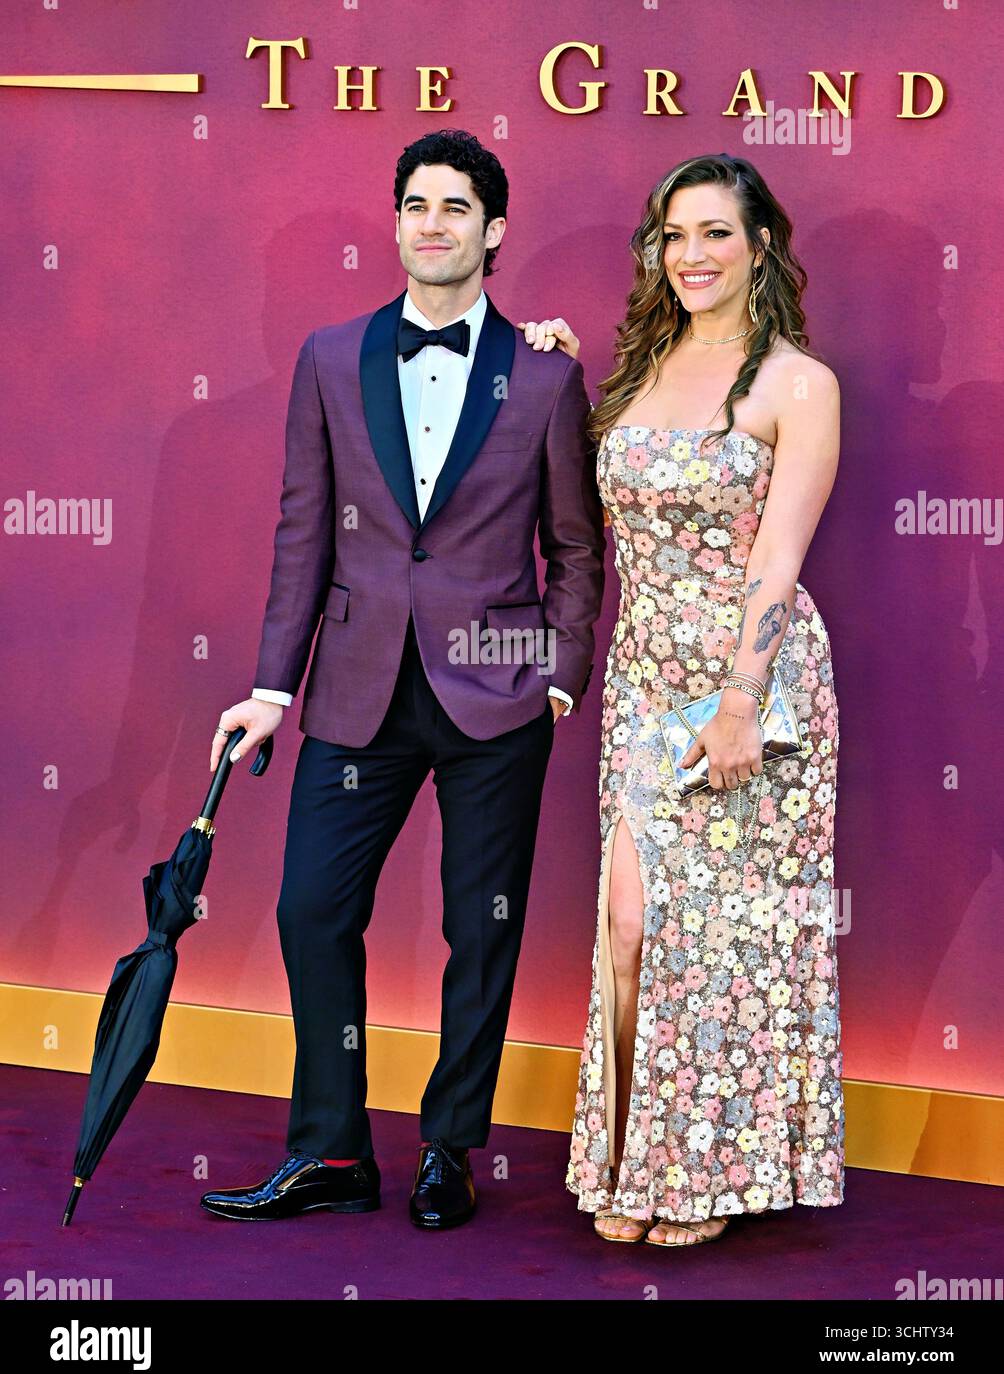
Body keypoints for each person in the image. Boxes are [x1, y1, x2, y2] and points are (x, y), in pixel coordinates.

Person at [199, 129, 605, 1230]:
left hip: (498, 690)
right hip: (354, 687)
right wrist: (272, 687)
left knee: (481, 924)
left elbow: (576, 548)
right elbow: (301, 534)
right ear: (395, 223)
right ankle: (332, 1151)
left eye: (455, 207)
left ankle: (449, 1147)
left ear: (493, 230)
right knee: (310, 909)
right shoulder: (329, 357)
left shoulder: (547, 374)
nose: (432, 223)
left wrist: (559, 676)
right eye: (415, 205)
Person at [545, 153, 844, 1246]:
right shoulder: (637, 366)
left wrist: (738, 700)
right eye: (673, 235)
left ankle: (707, 1177)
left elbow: (776, 562)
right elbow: (589, 496)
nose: (691, 255)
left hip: (745, 688)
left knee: (726, 936)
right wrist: (547, 368)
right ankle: (630, 1158)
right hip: (641, 674)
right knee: (629, 922)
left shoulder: (795, 384)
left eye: (715, 232)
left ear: (759, 243)